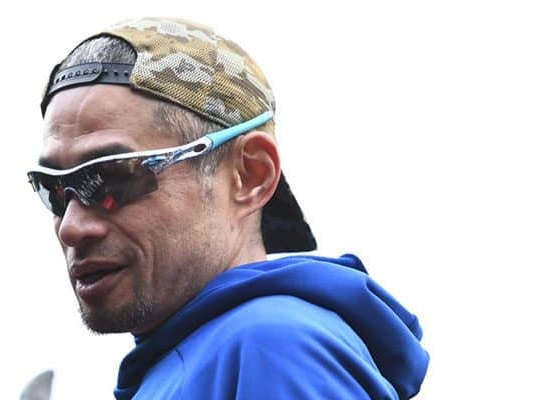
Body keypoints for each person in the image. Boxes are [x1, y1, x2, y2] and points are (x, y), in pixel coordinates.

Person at [26, 17, 429, 399]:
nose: (71, 227)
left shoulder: (274, 345)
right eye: (55, 191)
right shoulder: (205, 360)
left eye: (111, 178)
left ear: (250, 176)